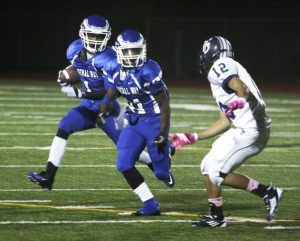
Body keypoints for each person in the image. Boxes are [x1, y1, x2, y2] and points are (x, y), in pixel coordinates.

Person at [27, 15, 167, 190]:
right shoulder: (75, 49)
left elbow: (112, 92)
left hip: (107, 110)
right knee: (64, 126)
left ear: (106, 37)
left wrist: (80, 93)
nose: (94, 40)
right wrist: (66, 76)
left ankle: (153, 164)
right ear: (82, 34)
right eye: (91, 35)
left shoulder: (111, 58)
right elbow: (79, 68)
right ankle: (49, 175)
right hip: (88, 107)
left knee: (128, 151)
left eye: (99, 36)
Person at [170, 36, 283, 227]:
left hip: (252, 130)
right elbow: (224, 122)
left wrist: (238, 103)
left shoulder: (221, 65)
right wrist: (192, 137)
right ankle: (219, 215)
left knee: (215, 172)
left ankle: (264, 194)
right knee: (207, 166)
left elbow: (241, 88)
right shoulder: (219, 76)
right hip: (245, 128)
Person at [97, 29, 174, 216]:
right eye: (128, 51)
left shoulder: (148, 70)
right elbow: (113, 90)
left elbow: (165, 105)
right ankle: (150, 204)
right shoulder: (113, 68)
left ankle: (167, 152)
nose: (132, 56)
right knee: (123, 164)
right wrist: (104, 108)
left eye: (136, 50)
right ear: (119, 52)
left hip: (154, 121)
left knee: (161, 173)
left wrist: (163, 134)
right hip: (134, 121)